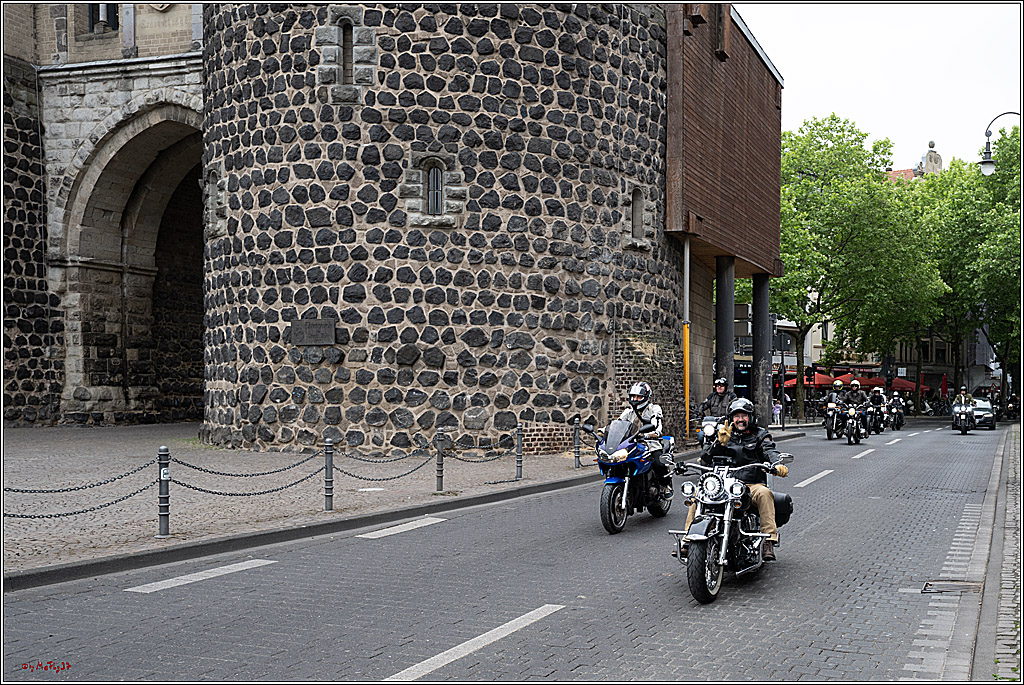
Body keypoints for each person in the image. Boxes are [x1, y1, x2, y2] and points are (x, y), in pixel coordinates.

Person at [677, 398, 789, 561]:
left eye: (744, 415)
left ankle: (768, 540)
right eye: (736, 416)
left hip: (751, 484)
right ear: (731, 418)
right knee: (698, 495)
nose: (740, 419)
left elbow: (769, 451)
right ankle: (688, 539)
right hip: (723, 483)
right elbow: (706, 459)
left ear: (750, 417)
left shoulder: (760, 435)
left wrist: (777, 463)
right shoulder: (723, 433)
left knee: (765, 494)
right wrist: (718, 443)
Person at [618, 381, 672, 496]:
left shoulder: (654, 409)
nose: (635, 399)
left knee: (658, 463)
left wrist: (651, 433)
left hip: (651, 443)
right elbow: (618, 423)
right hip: (633, 444)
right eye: (633, 396)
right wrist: (604, 431)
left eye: (639, 397)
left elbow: (656, 423)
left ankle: (665, 485)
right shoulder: (629, 412)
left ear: (646, 397)